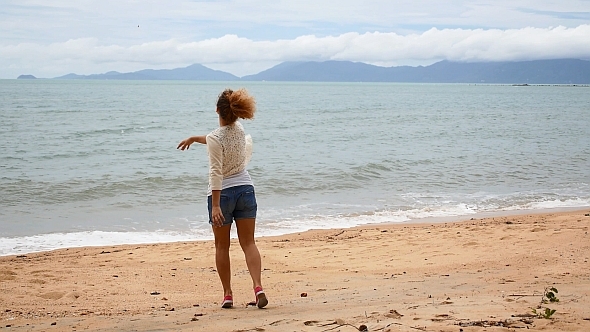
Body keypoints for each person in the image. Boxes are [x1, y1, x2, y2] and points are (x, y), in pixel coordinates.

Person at [177, 88, 267, 309]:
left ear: (217, 109)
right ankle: (258, 287)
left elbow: (215, 171)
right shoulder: (239, 129)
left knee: (221, 246)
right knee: (249, 243)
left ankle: (228, 294)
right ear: (237, 112)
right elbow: (215, 140)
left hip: (223, 195)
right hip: (246, 189)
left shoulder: (215, 138)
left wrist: (216, 205)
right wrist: (194, 138)